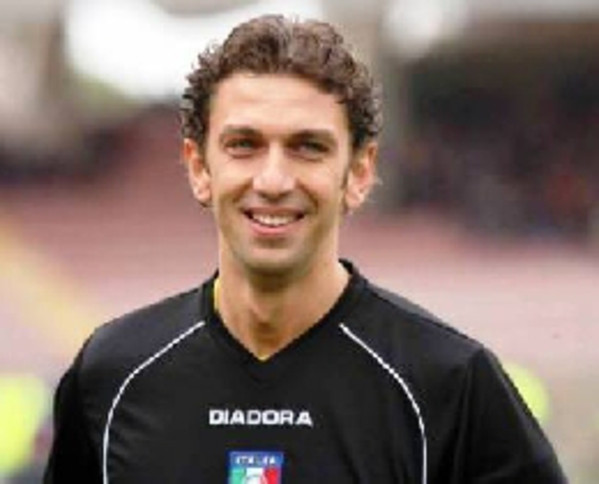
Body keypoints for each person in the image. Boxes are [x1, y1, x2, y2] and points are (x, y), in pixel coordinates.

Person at [44, 14, 566, 484]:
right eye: (244, 145)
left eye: (308, 147)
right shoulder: (111, 377)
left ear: (358, 173)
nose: (273, 180)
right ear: (200, 168)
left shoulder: (450, 383)